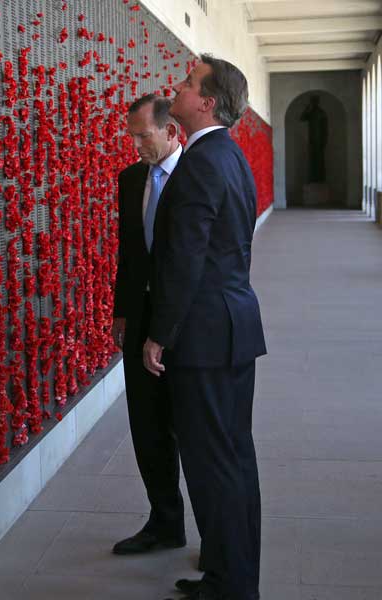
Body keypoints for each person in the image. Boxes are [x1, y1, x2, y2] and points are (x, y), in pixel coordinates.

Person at [143, 55, 266, 600]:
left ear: (206, 102)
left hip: (204, 335)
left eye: (189, 83)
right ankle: (230, 570)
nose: (177, 86)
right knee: (234, 456)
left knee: (213, 463)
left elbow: (186, 258)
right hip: (235, 324)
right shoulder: (230, 158)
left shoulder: (199, 162)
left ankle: (231, 585)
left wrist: (159, 332)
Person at [112, 95, 185, 555]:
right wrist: (123, 311)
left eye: (144, 135)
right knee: (147, 426)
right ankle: (164, 522)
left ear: (171, 131)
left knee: (192, 428)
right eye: (132, 135)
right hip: (139, 320)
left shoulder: (198, 176)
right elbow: (129, 253)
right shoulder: (131, 178)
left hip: (186, 323)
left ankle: (218, 533)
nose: (136, 144)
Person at [300, 95, 328, 183]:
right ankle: (313, 178)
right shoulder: (311, 112)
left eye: (314, 101)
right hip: (312, 139)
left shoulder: (321, 113)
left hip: (319, 140)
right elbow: (302, 118)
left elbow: (325, 128)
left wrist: (324, 140)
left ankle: (320, 178)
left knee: (319, 159)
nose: (313, 103)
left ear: (317, 102)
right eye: (312, 101)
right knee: (312, 159)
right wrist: (307, 108)